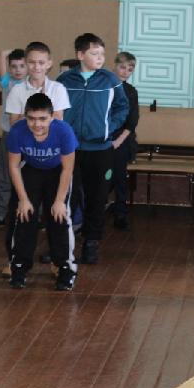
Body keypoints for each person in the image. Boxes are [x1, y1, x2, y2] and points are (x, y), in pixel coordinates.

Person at [57, 32, 129, 264]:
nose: (100, 58)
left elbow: (122, 107)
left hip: (100, 150)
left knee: (97, 198)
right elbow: (54, 109)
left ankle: (91, 243)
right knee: (67, 197)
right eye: (94, 53)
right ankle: (61, 246)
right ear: (80, 55)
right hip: (71, 149)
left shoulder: (110, 80)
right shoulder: (65, 81)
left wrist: (108, 129)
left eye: (102, 54)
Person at [1, 41, 71, 276]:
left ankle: (59, 262)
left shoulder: (58, 89)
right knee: (20, 211)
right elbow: (15, 125)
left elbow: (58, 123)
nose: (36, 67)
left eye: (41, 62)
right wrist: (36, 119)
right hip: (25, 159)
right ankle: (16, 262)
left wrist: (35, 119)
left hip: (53, 160)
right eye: (31, 62)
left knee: (56, 213)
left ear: (49, 64)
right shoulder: (17, 90)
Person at [7, 93, 78, 291]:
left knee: (59, 217)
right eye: (31, 118)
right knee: (24, 216)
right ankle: (19, 268)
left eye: (42, 119)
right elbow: (13, 166)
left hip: (57, 172)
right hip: (31, 170)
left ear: (52, 117)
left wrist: (59, 201)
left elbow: (68, 169)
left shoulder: (64, 131)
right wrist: (23, 199)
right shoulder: (17, 131)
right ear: (25, 116)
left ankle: (65, 269)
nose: (37, 124)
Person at [0, 48, 27, 231]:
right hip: (10, 135)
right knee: (5, 176)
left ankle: (29, 214)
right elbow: (2, 54)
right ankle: (1, 214)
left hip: (29, 137)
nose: (18, 70)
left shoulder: (32, 84)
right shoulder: (7, 83)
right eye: (14, 66)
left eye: (22, 65)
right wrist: (10, 52)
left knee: (28, 176)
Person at [110, 51, 139, 231]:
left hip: (123, 139)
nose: (125, 72)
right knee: (101, 178)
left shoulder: (130, 92)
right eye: (122, 67)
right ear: (115, 66)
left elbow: (132, 121)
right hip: (102, 139)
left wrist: (118, 141)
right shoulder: (104, 87)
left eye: (130, 69)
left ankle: (120, 213)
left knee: (120, 177)